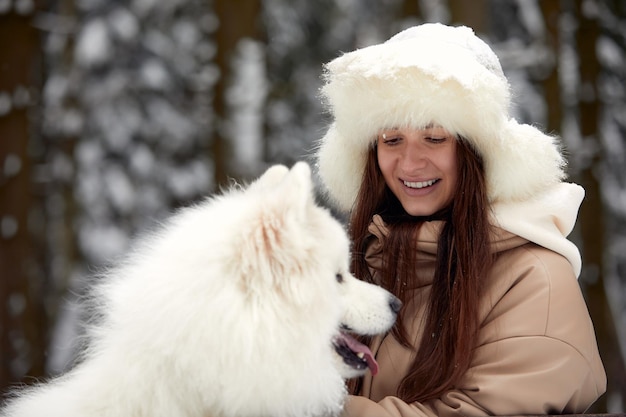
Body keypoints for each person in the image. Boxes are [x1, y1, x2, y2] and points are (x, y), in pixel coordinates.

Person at [315, 23, 606, 416]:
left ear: (477, 151)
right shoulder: (367, 257)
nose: (410, 163)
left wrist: (304, 406)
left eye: (435, 138)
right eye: (391, 140)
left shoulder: (535, 279)